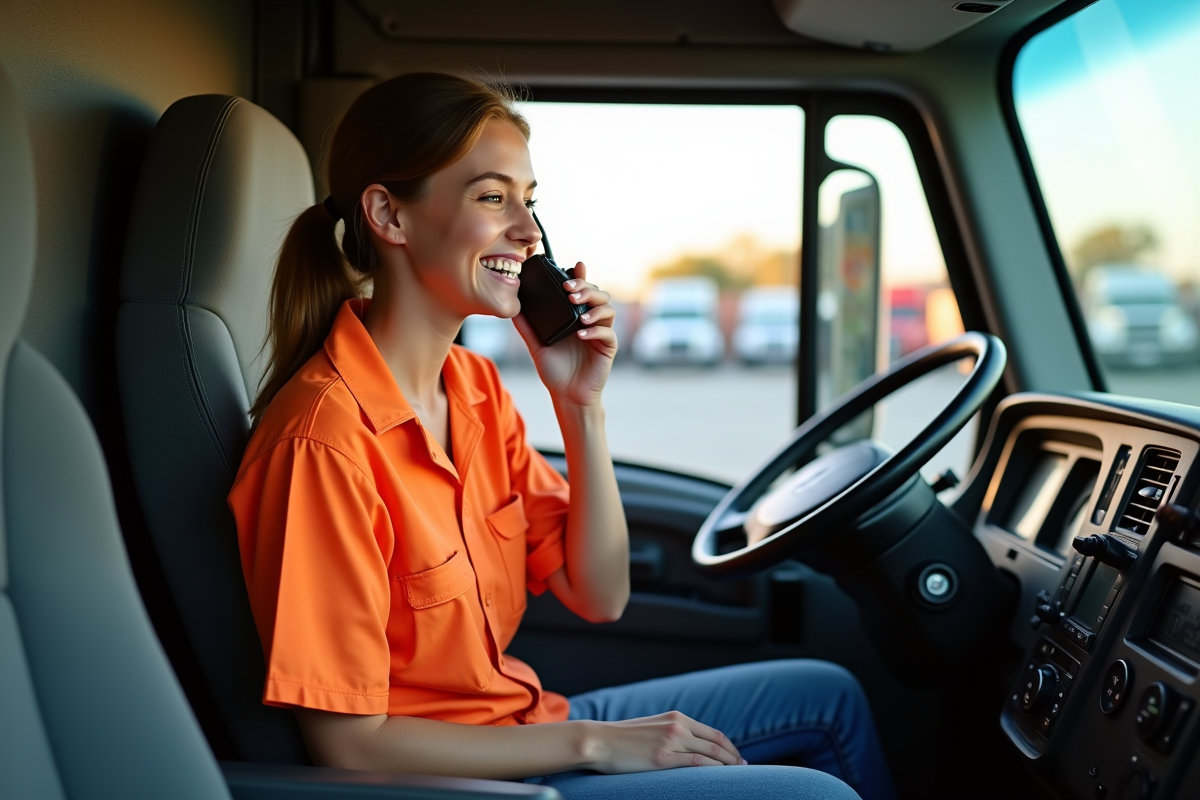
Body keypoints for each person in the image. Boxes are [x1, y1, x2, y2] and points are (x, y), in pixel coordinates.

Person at [228, 71, 895, 800]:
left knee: (827, 697)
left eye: (530, 201)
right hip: (458, 783)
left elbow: (599, 593)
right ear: (389, 215)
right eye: (492, 198)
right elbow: (350, 748)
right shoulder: (322, 444)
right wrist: (596, 744)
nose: (530, 232)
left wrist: (580, 404)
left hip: (525, 730)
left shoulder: (475, 390)